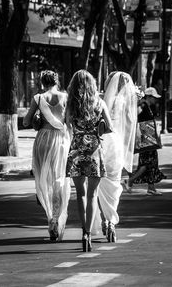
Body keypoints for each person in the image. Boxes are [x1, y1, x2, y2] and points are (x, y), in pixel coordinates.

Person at [65, 69, 113, 252]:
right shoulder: (99, 103)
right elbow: (110, 127)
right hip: (94, 151)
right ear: (92, 85)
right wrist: (98, 127)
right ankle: (89, 235)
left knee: (80, 194)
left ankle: (84, 232)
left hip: (76, 150)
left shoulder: (71, 105)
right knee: (93, 194)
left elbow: (67, 125)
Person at [23, 70, 71, 242]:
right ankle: (57, 218)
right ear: (57, 81)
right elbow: (69, 122)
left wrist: (37, 115)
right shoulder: (65, 97)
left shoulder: (38, 98)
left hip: (43, 140)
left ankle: (50, 218)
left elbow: (26, 122)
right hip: (61, 141)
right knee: (60, 179)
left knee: (44, 180)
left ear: (43, 83)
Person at [96, 71, 138, 242]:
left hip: (103, 140)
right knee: (114, 182)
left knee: (99, 182)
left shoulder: (101, 100)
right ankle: (111, 220)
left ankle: (104, 219)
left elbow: (99, 121)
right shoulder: (125, 100)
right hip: (117, 143)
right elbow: (129, 122)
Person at [124, 87, 166, 195]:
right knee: (147, 163)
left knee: (151, 162)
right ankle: (130, 180)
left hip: (148, 136)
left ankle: (151, 188)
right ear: (149, 97)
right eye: (154, 98)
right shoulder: (143, 105)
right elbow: (134, 117)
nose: (155, 100)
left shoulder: (146, 106)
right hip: (145, 136)